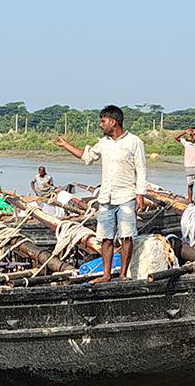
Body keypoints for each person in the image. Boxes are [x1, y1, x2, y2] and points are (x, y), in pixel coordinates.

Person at [53, 105, 146, 283]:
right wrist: (65, 145)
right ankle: (106, 275)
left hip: (126, 196)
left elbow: (141, 169)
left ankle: (123, 274)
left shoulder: (134, 142)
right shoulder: (104, 143)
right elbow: (87, 157)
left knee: (126, 236)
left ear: (113, 122)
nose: (100, 125)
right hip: (106, 198)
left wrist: (140, 193)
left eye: (103, 121)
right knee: (105, 238)